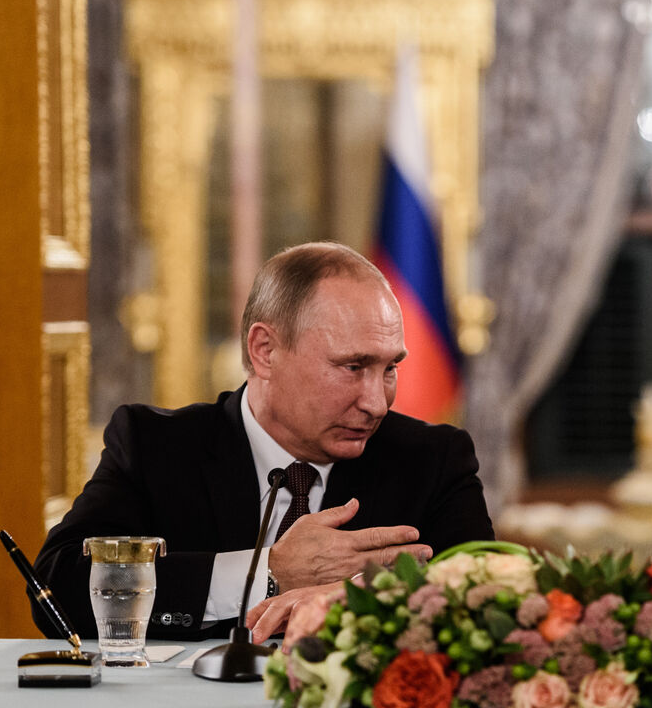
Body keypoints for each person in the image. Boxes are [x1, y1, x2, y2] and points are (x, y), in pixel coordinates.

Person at [33, 242, 494, 641]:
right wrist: (268, 575)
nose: (376, 402)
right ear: (265, 351)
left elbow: (493, 605)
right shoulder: (156, 446)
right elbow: (57, 591)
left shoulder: (433, 459)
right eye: (353, 367)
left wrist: (364, 599)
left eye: (389, 368)